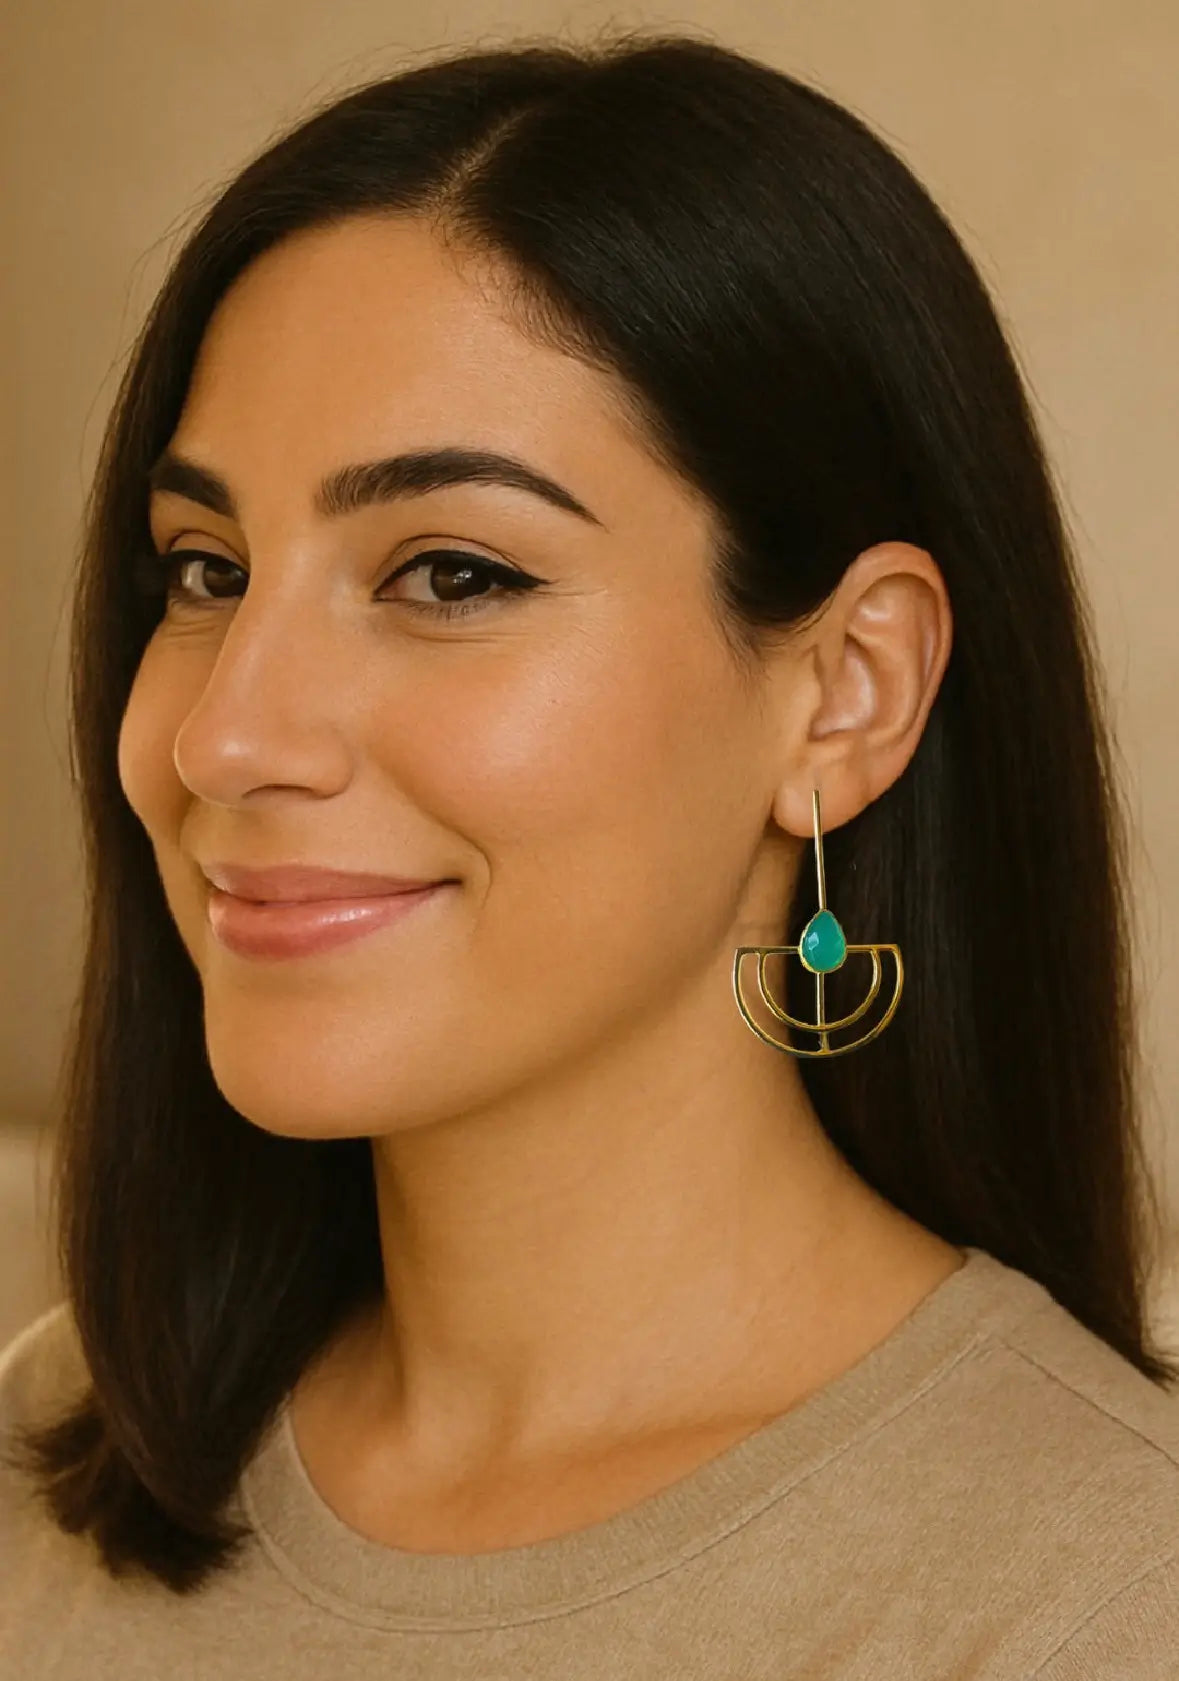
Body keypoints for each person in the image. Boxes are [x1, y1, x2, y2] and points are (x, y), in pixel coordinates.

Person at [2, 27, 1177, 1678]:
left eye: (453, 574)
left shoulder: (1108, 1602)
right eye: (205, 570)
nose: (225, 738)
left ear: (847, 691)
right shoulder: (51, 1447)